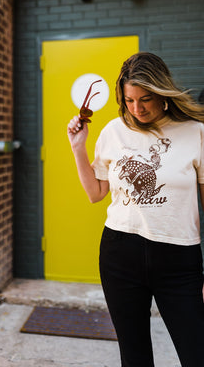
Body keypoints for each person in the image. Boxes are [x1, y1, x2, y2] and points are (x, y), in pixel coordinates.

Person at [67, 52, 204, 367]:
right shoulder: (113, 132)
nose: (137, 109)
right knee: (135, 357)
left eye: (146, 99)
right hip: (120, 254)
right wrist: (78, 147)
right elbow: (95, 193)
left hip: (179, 260)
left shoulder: (195, 132)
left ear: (162, 93)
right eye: (129, 100)